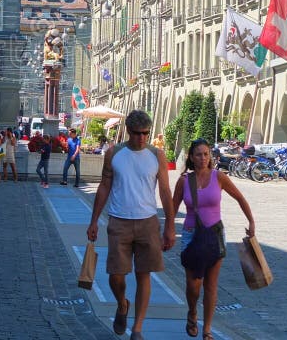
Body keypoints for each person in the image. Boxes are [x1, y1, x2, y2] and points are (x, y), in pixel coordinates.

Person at [86, 110, 175, 340]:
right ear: (128, 131)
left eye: (146, 133)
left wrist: (170, 226)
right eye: (137, 133)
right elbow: (104, 185)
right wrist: (94, 220)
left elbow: (165, 191)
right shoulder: (115, 153)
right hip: (119, 221)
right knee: (116, 275)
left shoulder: (157, 155)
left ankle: (137, 328)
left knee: (144, 274)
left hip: (148, 222)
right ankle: (122, 304)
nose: (142, 138)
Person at [172, 139, 255, 340]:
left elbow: (240, 198)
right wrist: (167, 233)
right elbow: (172, 209)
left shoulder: (219, 177)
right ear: (191, 157)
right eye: (198, 154)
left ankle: (207, 329)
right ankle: (192, 311)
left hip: (215, 234)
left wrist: (251, 222)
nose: (203, 158)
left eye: (206, 154)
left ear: (211, 156)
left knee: (210, 284)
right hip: (192, 235)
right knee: (194, 284)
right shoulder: (184, 181)